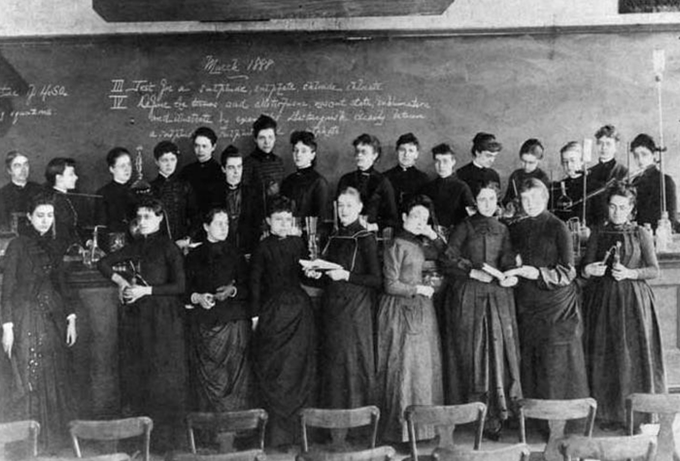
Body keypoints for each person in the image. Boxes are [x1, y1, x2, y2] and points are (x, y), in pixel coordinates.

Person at [97, 199, 188, 453]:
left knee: (163, 379)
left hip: (165, 320)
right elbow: (102, 264)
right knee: (139, 377)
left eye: (148, 217)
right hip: (138, 321)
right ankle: (139, 442)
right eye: (139, 217)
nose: (143, 222)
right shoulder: (134, 246)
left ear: (160, 219)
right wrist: (122, 283)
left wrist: (144, 291)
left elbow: (180, 287)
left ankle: (163, 445)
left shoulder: (169, 247)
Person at [440, 182, 521, 440]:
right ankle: (470, 414)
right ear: (475, 202)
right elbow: (448, 258)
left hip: (498, 297)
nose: (487, 204)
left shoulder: (503, 228)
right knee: (472, 351)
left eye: (491, 199)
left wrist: (512, 269)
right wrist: (471, 271)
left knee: (498, 353)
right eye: (482, 199)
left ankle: (495, 418)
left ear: (497, 202)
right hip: (468, 297)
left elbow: (507, 257)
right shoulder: (464, 226)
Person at [581, 181, 666, 430]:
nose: (617, 212)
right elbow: (585, 269)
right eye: (612, 207)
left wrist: (630, 273)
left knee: (631, 357)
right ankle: (609, 415)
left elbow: (654, 270)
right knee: (607, 357)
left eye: (622, 207)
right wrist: (590, 269)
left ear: (631, 209)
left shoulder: (641, 233)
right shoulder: (598, 232)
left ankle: (636, 415)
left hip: (633, 303)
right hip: (602, 301)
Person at [1, 194, 78, 450]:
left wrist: (70, 317)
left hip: (50, 318)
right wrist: (8, 327)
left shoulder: (54, 245)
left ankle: (51, 441)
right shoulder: (17, 246)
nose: (45, 221)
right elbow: (7, 289)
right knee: (28, 375)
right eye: (40, 216)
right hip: (24, 319)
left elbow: (61, 284)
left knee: (52, 374)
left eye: (49, 216)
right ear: (30, 218)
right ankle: (28, 444)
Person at [505, 179, 589, 401]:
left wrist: (537, 273)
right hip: (528, 304)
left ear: (545, 199)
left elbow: (568, 271)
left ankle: (559, 422)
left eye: (534, 198)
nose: (529, 203)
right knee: (532, 361)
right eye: (525, 199)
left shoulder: (557, 226)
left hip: (557, 307)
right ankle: (534, 418)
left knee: (555, 363)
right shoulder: (518, 227)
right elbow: (509, 257)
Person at [249, 196, 316, 447]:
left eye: (288, 220)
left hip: (299, 313)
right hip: (273, 313)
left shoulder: (299, 242)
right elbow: (254, 284)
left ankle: (299, 436)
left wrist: (312, 271)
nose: (284, 224)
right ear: (268, 221)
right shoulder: (262, 247)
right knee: (277, 372)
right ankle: (277, 437)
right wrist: (255, 317)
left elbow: (304, 275)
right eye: (279, 220)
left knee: (298, 371)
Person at [377, 195, 445, 442]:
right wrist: (417, 289)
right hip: (400, 312)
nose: (419, 222)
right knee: (405, 369)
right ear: (404, 217)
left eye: (424, 219)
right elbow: (390, 284)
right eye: (415, 216)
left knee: (422, 369)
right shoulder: (396, 244)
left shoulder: (419, 242)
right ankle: (403, 432)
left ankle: (423, 430)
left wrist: (431, 232)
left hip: (419, 311)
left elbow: (445, 253)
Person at [315, 187, 381, 409]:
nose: (343, 210)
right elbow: (328, 272)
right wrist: (317, 271)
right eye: (340, 205)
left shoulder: (365, 238)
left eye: (349, 205)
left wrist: (346, 275)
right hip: (332, 307)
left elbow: (376, 280)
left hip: (355, 309)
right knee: (333, 361)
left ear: (360, 208)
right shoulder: (334, 235)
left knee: (352, 361)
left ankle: (358, 423)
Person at [185, 208, 252, 412]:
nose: (224, 228)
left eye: (227, 224)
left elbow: (248, 286)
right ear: (206, 227)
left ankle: (237, 434)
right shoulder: (193, 256)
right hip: (204, 325)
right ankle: (210, 436)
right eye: (219, 223)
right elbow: (184, 288)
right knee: (210, 378)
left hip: (233, 324)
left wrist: (232, 290)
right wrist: (197, 297)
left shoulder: (236, 253)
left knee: (235, 378)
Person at [336, 133, 398, 232]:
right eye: (357, 152)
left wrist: (371, 227)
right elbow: (336, 213)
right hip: (346, 234)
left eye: (364, 152)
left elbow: (393, 220)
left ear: (374, 155)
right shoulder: (346, 179)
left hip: (371, 236)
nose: (359, 155)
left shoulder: (383, 182)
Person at [150, 140, 199, 246]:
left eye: (172, 159)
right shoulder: (150, 188)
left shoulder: (185, 186)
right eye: (164, 160)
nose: (169, 164)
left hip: (183, 243)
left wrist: (188, 238)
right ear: (156, 161)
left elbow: (195, 216)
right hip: (158, 246)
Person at [217, 145, 264, 255]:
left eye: (239, 167)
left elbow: (257, 225)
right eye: (231, 167)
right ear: (223, 169)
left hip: (247, 250)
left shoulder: (252, 193)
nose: (236, 172)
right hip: (222, 251)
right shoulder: (214, 193)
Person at [280, 130, 331, 229]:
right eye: (295, 150)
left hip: (309, 236)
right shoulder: (288, 181)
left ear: (312, 155)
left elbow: (320, 218)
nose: (298, 155)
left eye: (303, 151)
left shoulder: (319, 182)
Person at [420, 143, 475, 232]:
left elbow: (471, 217)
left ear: (453, 162)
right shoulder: (427, 188)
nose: (441, 166)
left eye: (445, 161)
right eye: (437, 161)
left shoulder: (462, 187)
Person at [630, 133, 679, 231]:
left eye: (644, 154)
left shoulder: (666, 181)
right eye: (636, 156)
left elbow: (672, 218)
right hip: (639, 233)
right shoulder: (635, 181)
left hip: (659, 233)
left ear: (654, 155)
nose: (640, 160)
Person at [550, 141, 603, 228]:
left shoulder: (595, 187)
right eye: (565, 161)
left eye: (572, 160)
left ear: (582, 161)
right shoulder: (557, 187)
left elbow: (600, 220)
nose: (569, 165)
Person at [588, 125, 629, 226]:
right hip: (593, 225)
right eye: (600, 144)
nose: (603, 148)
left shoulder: (623, 172)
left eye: (608, 144)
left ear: (616, 146)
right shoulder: (589, 173)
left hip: (615, 224)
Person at [179, 126, 224, 216]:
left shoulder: (220, 172)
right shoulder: (186, 171)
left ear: (213, 147)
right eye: (197, 146)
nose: (200, 150)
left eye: (204, 146)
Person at [243, 114, 285, 209]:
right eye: (262, 138)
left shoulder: (279, 162)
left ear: (275, 138)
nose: (267, 142)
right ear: (255, 139)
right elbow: (244, 197)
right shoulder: (248, 163)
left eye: (270, 137)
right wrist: (265, 192)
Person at [45, 157, 83, 255]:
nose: (76, 177)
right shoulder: (56, 200)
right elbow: (61, 234)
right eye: (71, 174)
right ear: (59, 178)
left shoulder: (64, 197)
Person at [95, 147, 137, 233]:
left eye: (129, 164)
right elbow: (101, 225)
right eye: (122, 166)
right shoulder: (103, 193)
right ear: (112, 169)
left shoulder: (138, 190)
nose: (127, 169)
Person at [0, 151, 43, 234]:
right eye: (17, 166)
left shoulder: (39, 190)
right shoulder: (2, 195)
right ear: (9, 170)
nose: (23, 169)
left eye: (26, 165)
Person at [384, 133, 430, 210]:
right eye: (402, 150)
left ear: (416, 154)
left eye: (411, 151)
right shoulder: (386, 177)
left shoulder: (423, 179)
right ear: (397, 152)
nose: (406, 154)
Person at [503, 138, 550, 206]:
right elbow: (507, 199)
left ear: (539, 160)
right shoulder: (515, 175)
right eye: (523, 161)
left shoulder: (542, 178)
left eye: (531, 163)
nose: (526, 166)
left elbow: (544, 205)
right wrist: (509, 204)